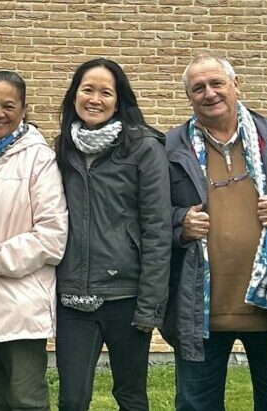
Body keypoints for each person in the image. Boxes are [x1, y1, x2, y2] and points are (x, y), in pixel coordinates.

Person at [163, 54, 267, 411]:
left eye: (217, 83)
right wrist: (180, 224)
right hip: (200, 312)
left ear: (236, 85)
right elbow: (149, 214)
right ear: (188, 97)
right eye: (198, 87)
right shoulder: (170, 148)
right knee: (195, 406)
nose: (209, 93)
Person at [52, 58, 170, 411]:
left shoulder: (144, 148)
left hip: (127, 295)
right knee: (72, 399)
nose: (95, 99)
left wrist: (150, 306)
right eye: (87, 90)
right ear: (74, 96)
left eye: (106, 92)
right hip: (73, 294)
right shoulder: (61, 147)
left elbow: (157, 228)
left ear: (119, 101)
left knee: (131, 396)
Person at [0, 71, 68, 411]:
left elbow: (51, 237)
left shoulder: (38, 157)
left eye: (8, 106)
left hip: (20, 307)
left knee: (26, 399)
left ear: (24, 109)